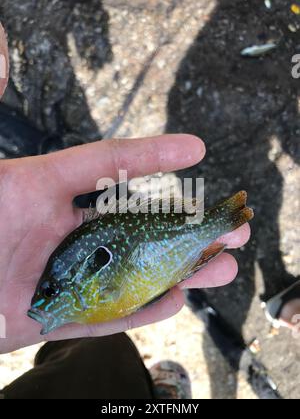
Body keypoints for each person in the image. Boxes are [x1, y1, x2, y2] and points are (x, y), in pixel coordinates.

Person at [0, 22, 253, 399]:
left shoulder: (90, 299)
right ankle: (157, 395)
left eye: (50, 291)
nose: (39, 305)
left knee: (100, 355)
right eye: (49, 292)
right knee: (103, 356)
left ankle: (154, 392)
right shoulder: (86, 298)